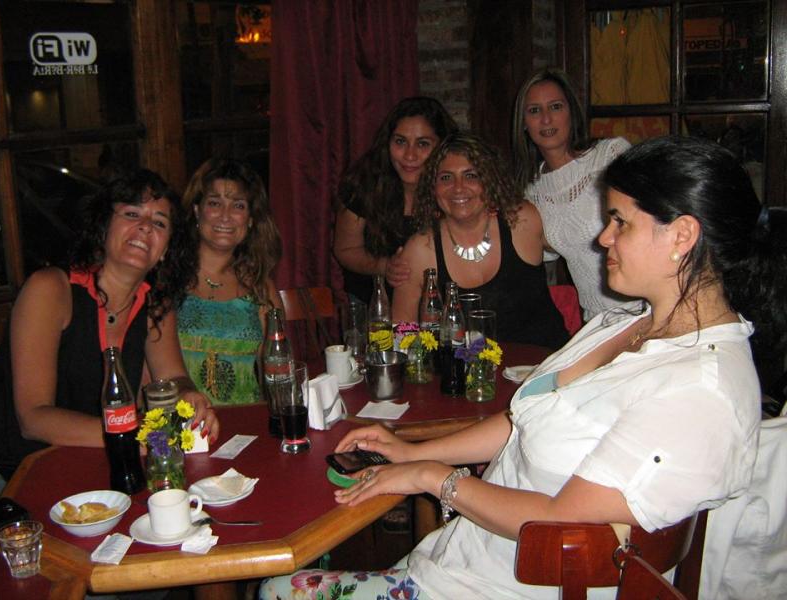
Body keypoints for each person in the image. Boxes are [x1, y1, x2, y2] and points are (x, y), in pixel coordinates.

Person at [260, 136, 786, 599]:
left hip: (501, 587)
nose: (603, 238)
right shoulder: (625, 324)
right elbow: (523, 419)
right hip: (462, 559)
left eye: (620, 221)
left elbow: (560, 521)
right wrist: (412, 449)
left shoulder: (699, 391)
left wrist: (431, 477)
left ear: (682, 236)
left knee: (278, 589)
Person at [0, 169, 219, 481]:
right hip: (13, 470)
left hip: (95, 461)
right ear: (105, 226)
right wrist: (135, 436)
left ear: (165, 249)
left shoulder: (155, 304)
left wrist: (189, 395)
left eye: (159, 222)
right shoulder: (51, 289)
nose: (145, 226)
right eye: (132, 213)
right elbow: (33, 419)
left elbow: (174, 378)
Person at [392, 132, 569, 349]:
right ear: (433, 187)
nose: (458, 188)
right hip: (467, 368)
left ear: (489, 180)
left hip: (549, 361)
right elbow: (401, 332)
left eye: (471, 175)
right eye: (446, 177)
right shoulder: (420, 250)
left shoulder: (521, 220)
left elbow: (579, 245)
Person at [513, 67, 633, 321]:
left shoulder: (610, 156)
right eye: (534, 110)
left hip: (643, 310)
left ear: (572, 112)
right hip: (596, 321)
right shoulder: (530, 193)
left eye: (555, 107)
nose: (546, 119)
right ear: (523, 122)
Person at [333, 96, 458, 303]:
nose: (409, 155)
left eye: (422, 144)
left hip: (440, 304)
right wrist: (384, 266)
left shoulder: (457, 189)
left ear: (443, 146)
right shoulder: (365, 183)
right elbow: (345, 250)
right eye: (400, 141)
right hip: (373, 305)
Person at [178, 158, 282, 405]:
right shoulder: (169, 279)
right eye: (215, 203)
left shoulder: (260, 286)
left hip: (245, 419)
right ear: (197, 210)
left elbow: (278, 370)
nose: (225, 216)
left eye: (238, 205)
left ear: (250, 219)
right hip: (181, 422)